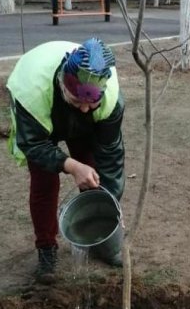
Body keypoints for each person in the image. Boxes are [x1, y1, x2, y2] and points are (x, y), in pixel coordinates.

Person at [7, 38, 125, 283]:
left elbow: (111, 157)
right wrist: (70, 165)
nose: (83, 109)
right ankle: (46, 250)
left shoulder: (109, 99)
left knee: (94, 175)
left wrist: (109, 204)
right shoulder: (33, 92)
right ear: (63, 85)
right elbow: (34, 145)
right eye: (76, 102)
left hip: (79, 124)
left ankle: (100, 238)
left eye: (90, 104)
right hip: (44, 118)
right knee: (44, 182)